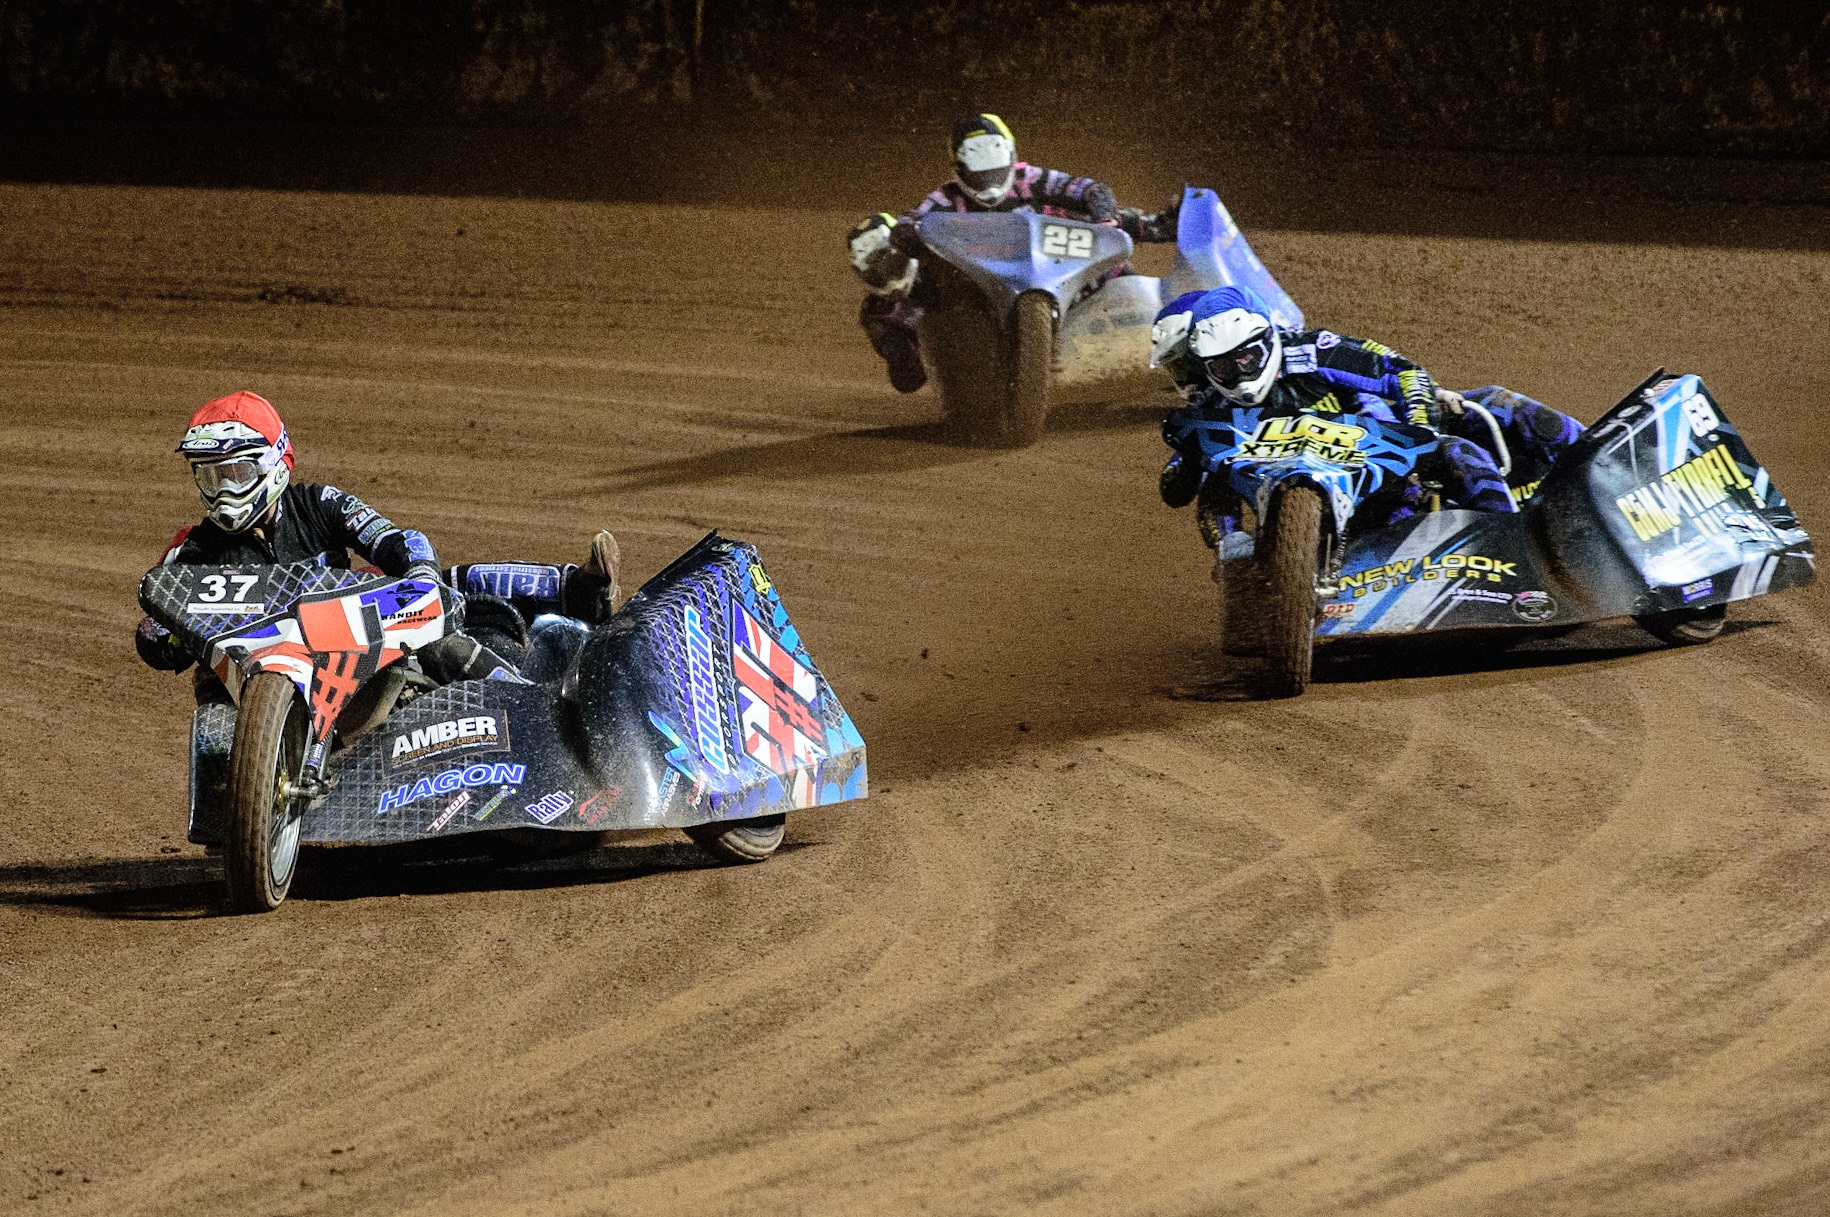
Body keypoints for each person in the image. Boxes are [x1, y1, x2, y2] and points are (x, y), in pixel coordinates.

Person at [134, 391, 620, 695]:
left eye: (235, 473)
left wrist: (422, 579)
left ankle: (567, 621)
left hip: (352, 651)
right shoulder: (192, 552)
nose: (222, 489)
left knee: (444, 602)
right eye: (209, 476)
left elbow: (400, 542)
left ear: (274, 464)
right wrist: (168, 634)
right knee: (213, 723)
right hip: (255, 684)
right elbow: (155, 635)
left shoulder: (319, 503)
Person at [848, 112, 1181, 393]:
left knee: (1103, 233)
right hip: (982, 294)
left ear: (1010, 157)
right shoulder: (945, 200)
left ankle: (1168, 335)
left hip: (1060, 270)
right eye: (978, 173)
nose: (989, 182)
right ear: (958, 169)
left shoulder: (1030, 179)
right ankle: (911, 355)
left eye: (994, 169)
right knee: (883, 301)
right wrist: (902, 236)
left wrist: (1106, 219)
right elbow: (913, 221)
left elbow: (1090, 189)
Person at [1155, 286, 1519, 525]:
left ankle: (1507, 542)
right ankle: (1241, 565)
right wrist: (1189, 459)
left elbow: (1403, 371)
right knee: (1215, 481)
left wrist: (1423, 430)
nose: (1238, 372)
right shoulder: (1211, 406)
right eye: (1222, 366)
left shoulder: (1312, 351)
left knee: (1463, 446)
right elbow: (1174, 490)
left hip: (1377, 460)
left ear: (1265, 339)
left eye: (1247, 358)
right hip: (1291, 500)